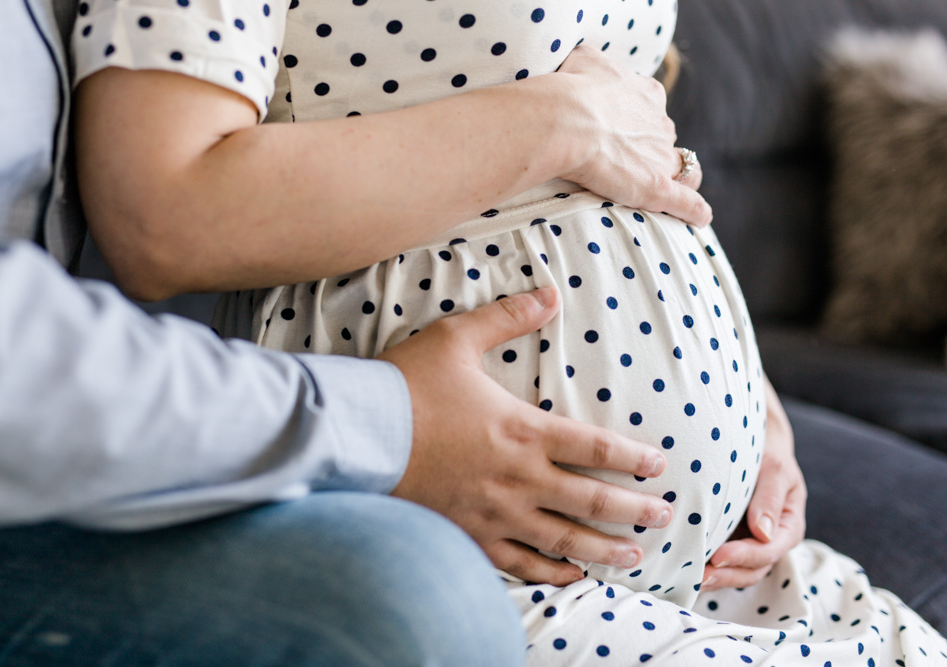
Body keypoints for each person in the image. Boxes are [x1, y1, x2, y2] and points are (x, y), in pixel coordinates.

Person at [69, 1, 947, 665]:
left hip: (717, 567)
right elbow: (163, 210)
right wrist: (555, 121)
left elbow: (626, 149)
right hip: (460, 544)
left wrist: (747, 398)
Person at [0, 3, 694, 665]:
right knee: (413, 597)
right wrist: (388, 426)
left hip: (679, 527)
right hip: (1, 481)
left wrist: (713, 342)